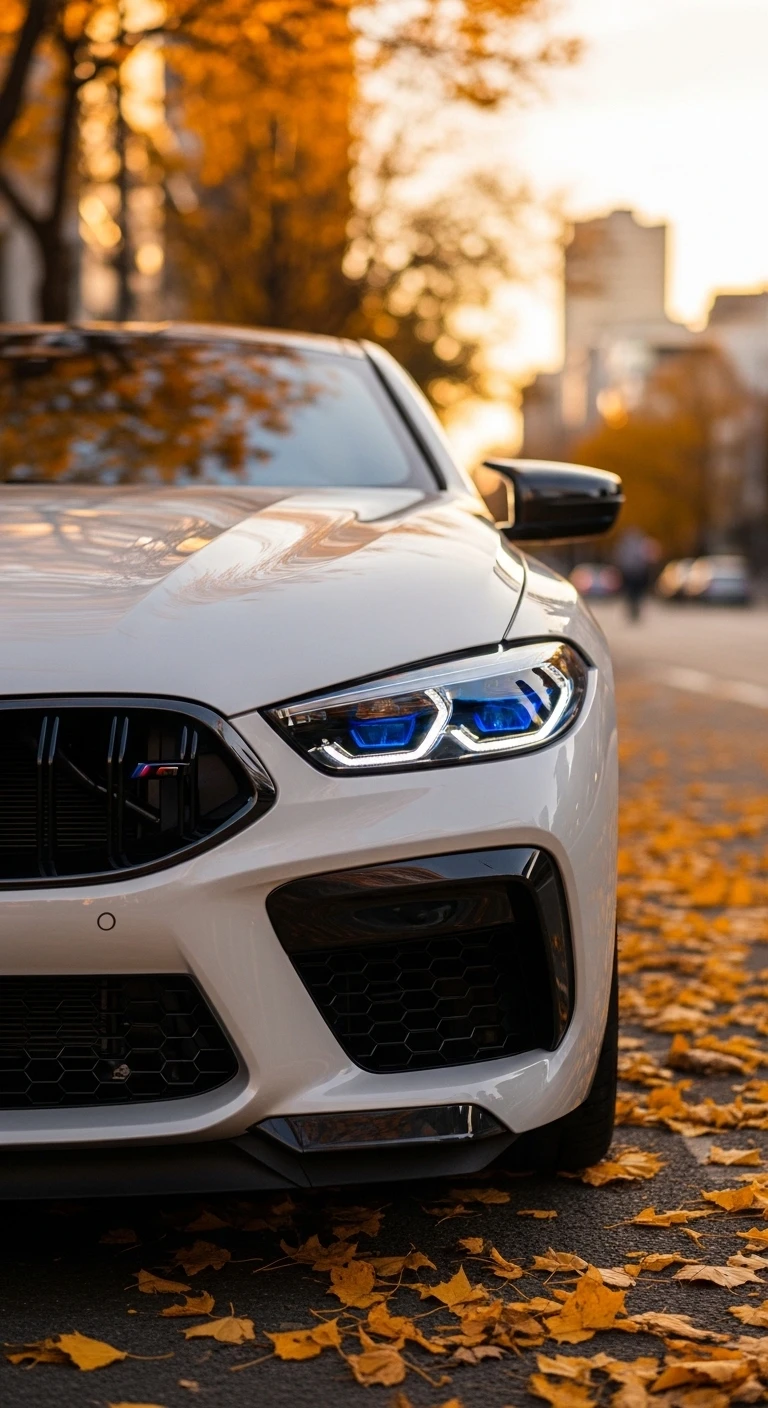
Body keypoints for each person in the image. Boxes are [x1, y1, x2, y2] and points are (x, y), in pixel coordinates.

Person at [615, 527, 656, 621]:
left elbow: (619, 558)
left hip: (632, 573)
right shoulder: (640, 544)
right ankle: (634, 610)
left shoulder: (625, 546)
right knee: (635, 594)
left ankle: (634, 610)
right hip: (636, 573)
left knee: (632, 594)